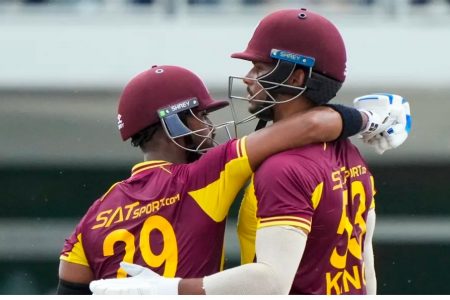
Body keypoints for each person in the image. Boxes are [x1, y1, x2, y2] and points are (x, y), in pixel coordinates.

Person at [89, 8, 411, 295]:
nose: (247, 79)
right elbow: (364, 269)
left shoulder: (283, 168)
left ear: (297, 77)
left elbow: (272, 282)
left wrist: (172, 289)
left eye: (259, 68)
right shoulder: (351, 156)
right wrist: (366, 119)